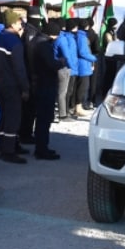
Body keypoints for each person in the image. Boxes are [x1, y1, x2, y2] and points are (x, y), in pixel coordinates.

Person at [0, 10, 30, 164]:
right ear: (13, 23)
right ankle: (9, 151)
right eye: (20, 22)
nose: (22, 24)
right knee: (13, 118)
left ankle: (3, 147)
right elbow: (19, 68)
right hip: (12, 85)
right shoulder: (15, 43)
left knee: (2, 116)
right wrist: (25, 88)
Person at [29, 20, 65, 159]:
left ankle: (41, 146)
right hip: (45, 84)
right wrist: (60, 63)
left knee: (41, 118)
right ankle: (42, 149)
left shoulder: (35, 41)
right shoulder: (44, 45)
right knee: (45, 118)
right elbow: (50, 64)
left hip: (38, 83)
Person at [18, 14, 43, 145]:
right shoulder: (31, 32)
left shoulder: (30, 30)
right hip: (30, 76)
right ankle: (25, 134)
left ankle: (26, 133)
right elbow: (30, 54)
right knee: (29, 108)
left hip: (30, 75)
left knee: (30, 108)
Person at [72, 19, 98, 117]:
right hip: (83, 65)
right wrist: (93, 58)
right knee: (82, 87)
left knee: (80, 87)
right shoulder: (81, 37)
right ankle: (78, 108)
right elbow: (83, 52)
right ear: (87, 27)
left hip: (81, 65)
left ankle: (77, 107)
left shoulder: (78, 35)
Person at [53, 18, 77, 122]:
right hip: (63, 67)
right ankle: (62, 114)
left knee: (58, 91)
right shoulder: (62, 39)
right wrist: (71, 67)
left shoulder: (58, 38)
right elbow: (66, 54)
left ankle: (55, 112)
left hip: (57, 66)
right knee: (62, 92)